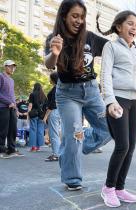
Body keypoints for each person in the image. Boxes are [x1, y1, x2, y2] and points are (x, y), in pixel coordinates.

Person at [44, 0, 112, 191]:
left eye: (82, 17)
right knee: (74, 136)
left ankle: (71, 146)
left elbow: (114, 49)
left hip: (91, 90)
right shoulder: (53, 38)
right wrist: (55, 53)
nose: (79, 21)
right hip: (67, 94)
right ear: (64, 16)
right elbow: (49, 64)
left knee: (109, 127)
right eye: (75, 16)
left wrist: (126, 30)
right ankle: (72, 178)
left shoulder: (90, 38)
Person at [100, 10, 136, 208]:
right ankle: (108, 187)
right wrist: (110, 101)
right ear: (118, 27)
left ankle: (120, 188)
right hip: (118, 100)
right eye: (129, 23)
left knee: (131, 147)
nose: (133, 27)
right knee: (122, 145)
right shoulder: (111, 46)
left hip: (135, 101)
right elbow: (105, 75)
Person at [0, 60, 24, 158]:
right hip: (3, 107)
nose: (12, 68)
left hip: (12, 108)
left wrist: (16, 109)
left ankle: (11, 149)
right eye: (10, 66)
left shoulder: (12, 80)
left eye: (14, 67)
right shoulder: (1, 76)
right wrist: (8, 102)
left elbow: (12, 96)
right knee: (3, 130)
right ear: (5, 67)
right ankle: (1, 150)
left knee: (13, 129)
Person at [43, 72, 61, 161]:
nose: (49, 80)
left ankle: (56, 154)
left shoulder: (56, 89)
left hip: (54, 112)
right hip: (60, 112)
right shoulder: (60, 88)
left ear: (53, 79)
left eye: (50, 78)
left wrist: (45, 116)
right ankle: (58, 153)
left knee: (53, 134)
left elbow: (52, 104)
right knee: (57, 133)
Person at [28, 83, 47, 152]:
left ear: (34, 87)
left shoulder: (32, 94)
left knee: (33, 129)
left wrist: (28, 114)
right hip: (41, 115)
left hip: (34, 114)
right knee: (40, 130)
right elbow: (45, 107)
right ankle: (38, 147)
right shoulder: (44, 96)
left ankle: (33, 147)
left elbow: (30, 105)